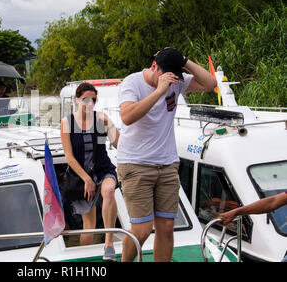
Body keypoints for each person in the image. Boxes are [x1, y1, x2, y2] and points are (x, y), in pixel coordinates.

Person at [117, 47, 217, 262]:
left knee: (167, 227)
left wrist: (185, 61)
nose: (172, 80)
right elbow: (126, 116)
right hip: (136, 164)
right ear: (154, 66)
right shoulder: (132, 83)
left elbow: (211, 84)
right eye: (166, 74)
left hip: (167, 163)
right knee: (142, 230)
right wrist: (159, 91)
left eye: (175, 75)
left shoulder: (176, 80)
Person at [60, 82, 120, 261]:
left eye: (93, 99)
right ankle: (85, 260)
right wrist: (87, 179)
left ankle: (108, 243)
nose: (89, 103)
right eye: (85, 99)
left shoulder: (101, 119)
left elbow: (118, 144)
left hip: (103, 169)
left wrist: (110, 124)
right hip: (81, 177)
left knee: (109, 191)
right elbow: (69, 157)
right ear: (77, 100)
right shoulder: (67, 122)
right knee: (89, 225)